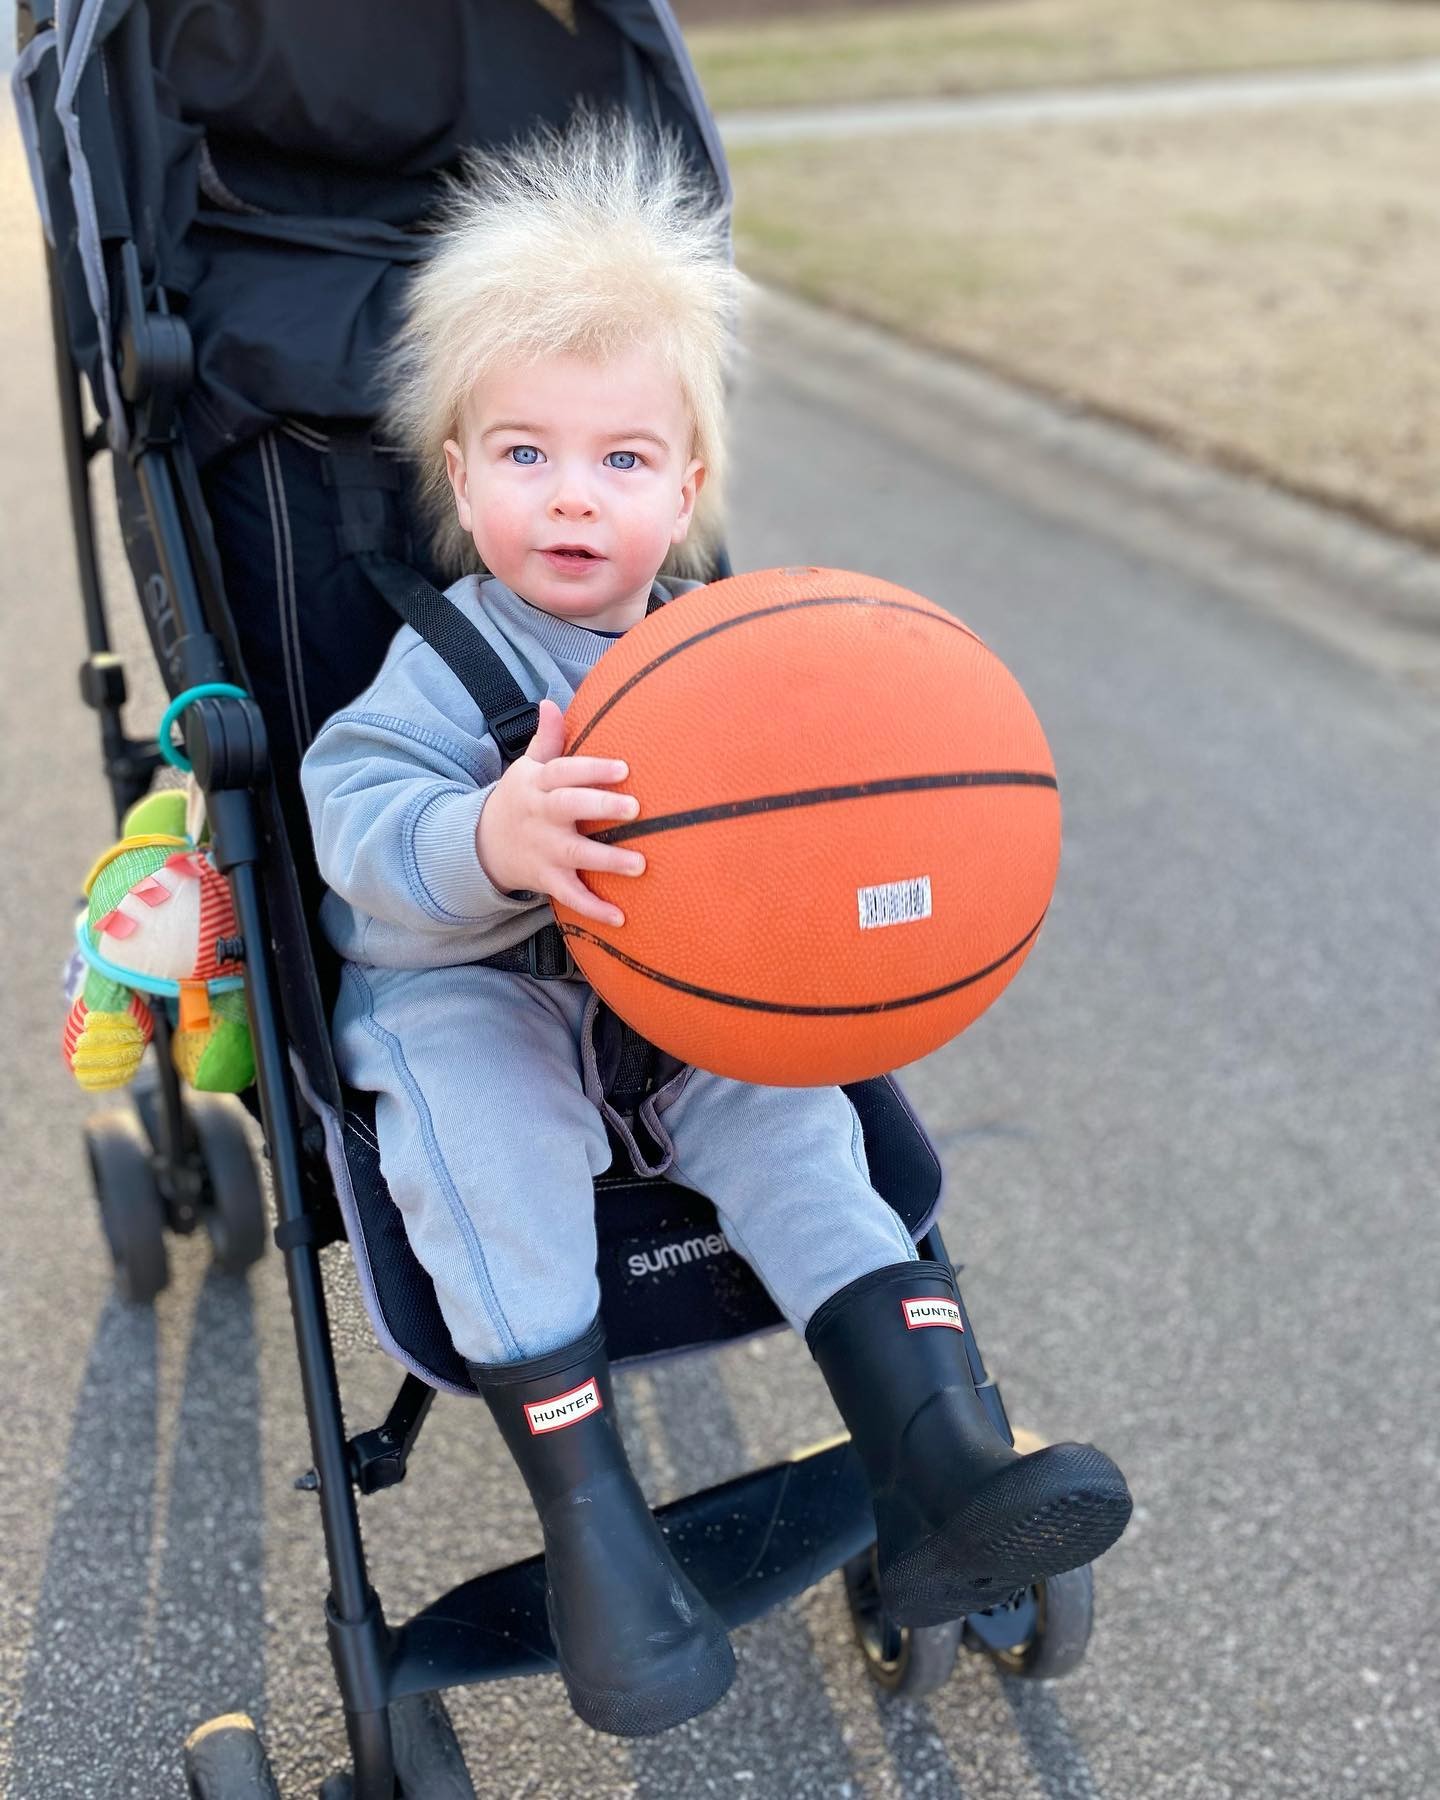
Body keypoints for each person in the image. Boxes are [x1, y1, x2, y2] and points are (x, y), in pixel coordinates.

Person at [300, 115, 1131, 1738]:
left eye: (620, 460)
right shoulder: (441, 663)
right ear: (458, 476)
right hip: (473, 989)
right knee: (491, 1148)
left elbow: (841, 798)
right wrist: (489, 832)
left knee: (798, 1129)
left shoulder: (734, 649)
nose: (570, 496)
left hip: (683, 1005)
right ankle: (598, 1534)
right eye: (523, 453)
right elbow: (352, 815)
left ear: (687, 488)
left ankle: (936, 1443)